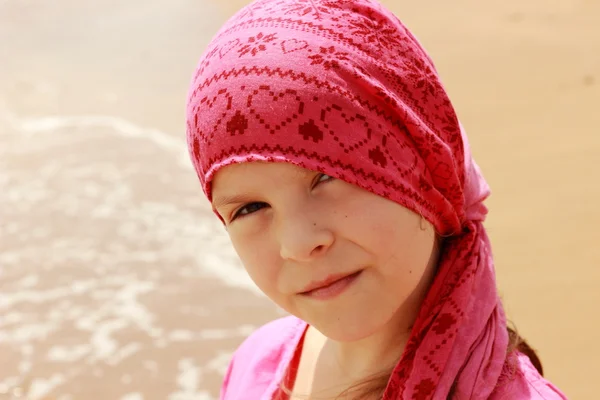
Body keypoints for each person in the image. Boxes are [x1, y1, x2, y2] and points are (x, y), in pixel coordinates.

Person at [185, 0, 568, 398]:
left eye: (328, 175)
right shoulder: (256, 365)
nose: (298, 243)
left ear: (424, 167)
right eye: (249, 208)